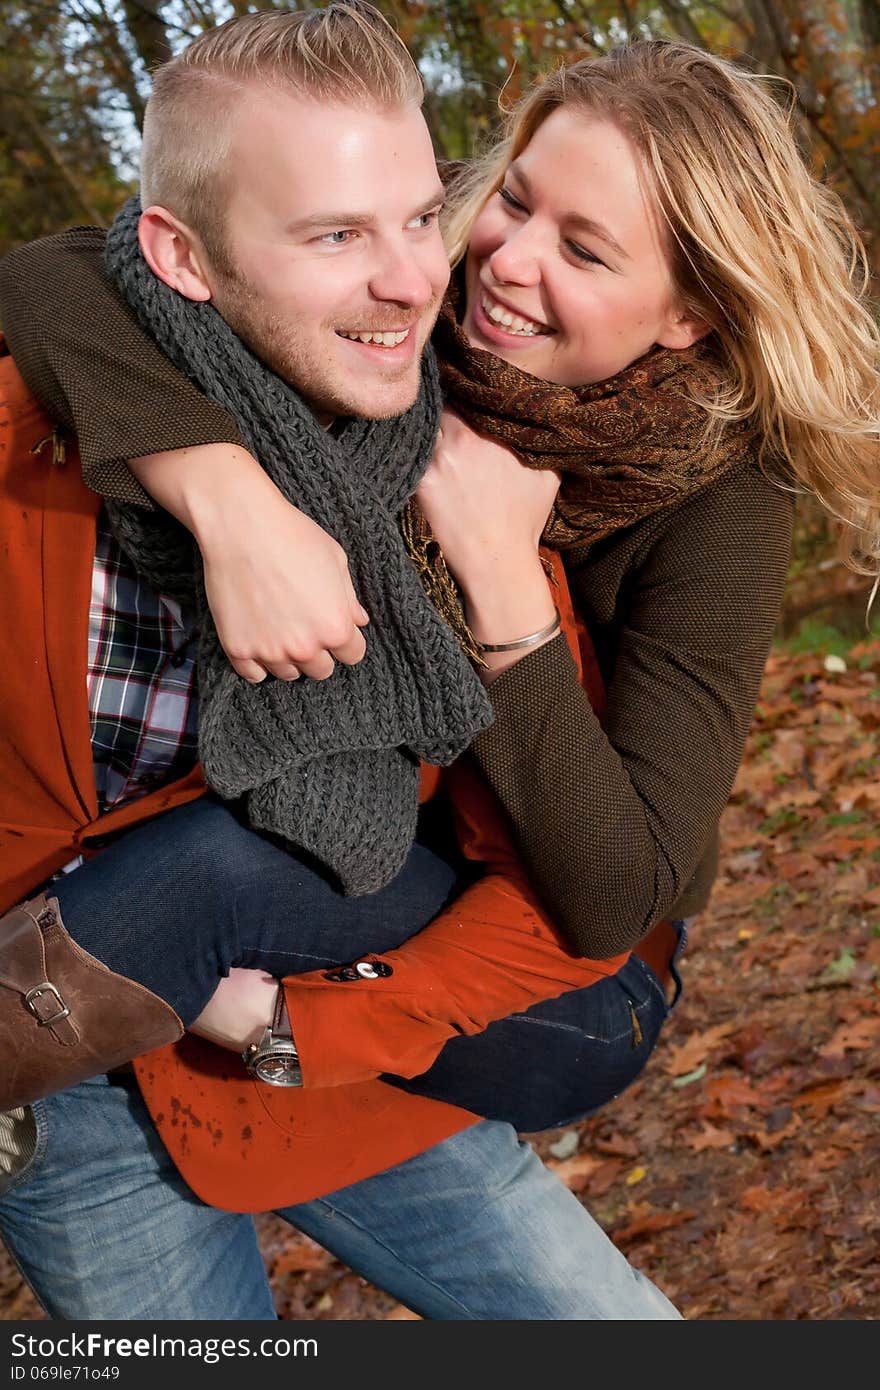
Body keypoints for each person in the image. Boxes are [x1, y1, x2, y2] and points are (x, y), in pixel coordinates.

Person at [3, 6, 878, 1319]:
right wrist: (228, 497)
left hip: (528, 973)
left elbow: (622, 888)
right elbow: (73, 268)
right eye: (509, 202)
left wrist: (505, 583)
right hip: (220, 982)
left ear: (692, 312)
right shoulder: (391, 349)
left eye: (582, 248)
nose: (492, 264)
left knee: (202, 877)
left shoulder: (709, 499)